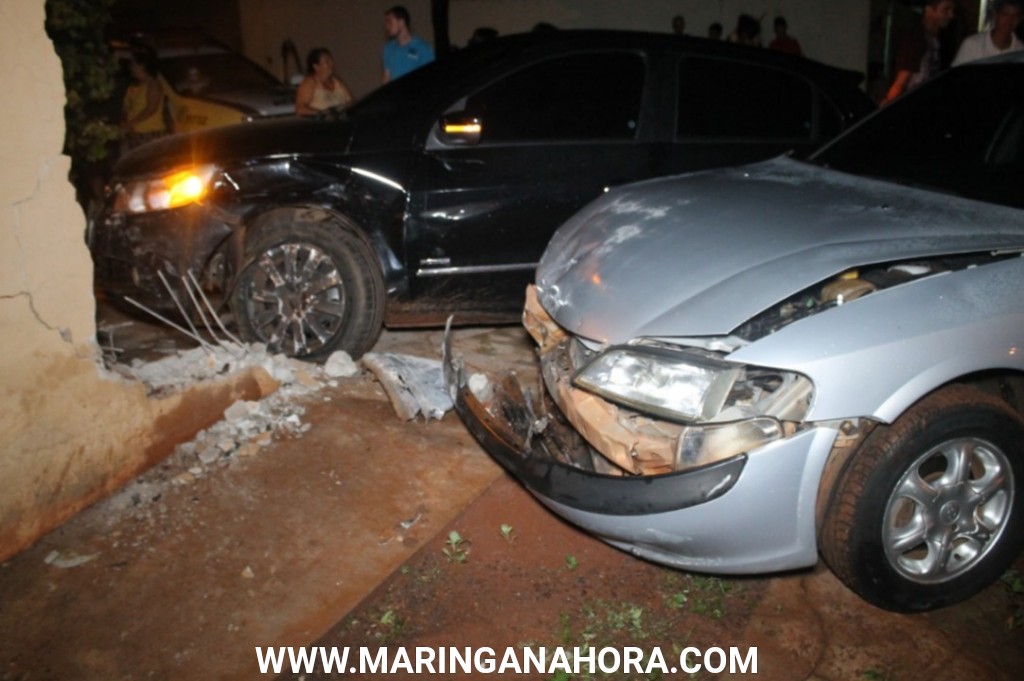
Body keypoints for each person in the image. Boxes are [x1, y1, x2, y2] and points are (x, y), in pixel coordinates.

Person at [882, 0, 955, 104]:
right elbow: (901, 81)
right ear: (929, 9)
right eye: (946, 9)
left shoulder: (938, 40)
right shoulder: (916, 39)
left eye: (952, 10)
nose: (951, 15)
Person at [121, 49, 171, 151]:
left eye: (133, 64)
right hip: (133, 133)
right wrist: (128, 126)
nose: (131, 67)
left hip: (150, 133)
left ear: (142, 65)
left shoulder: (153, 84)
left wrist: (132, 122)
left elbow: (151, 108)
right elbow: (126, 108)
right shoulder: (133, 87)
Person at [952, 0, 1024, 65]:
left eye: (1015, 16)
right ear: (995, 15)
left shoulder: (1020, 50)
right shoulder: (972, 45)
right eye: (1005, 14)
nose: (1009, 21)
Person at [382, 5, 435, 83]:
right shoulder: (388, 49)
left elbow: (432, 76)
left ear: (401, 22)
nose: (387, 27)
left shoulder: (422, 48)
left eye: (390, 22)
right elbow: (386, 77)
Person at [295, 48, 353, 116]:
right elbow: (301, 109)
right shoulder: (310, 82)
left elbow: (351, 102)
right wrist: (322, 113)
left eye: (331, 60)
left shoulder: (337, 81)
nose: (331, 64)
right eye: (327, 61)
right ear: (316, 66)